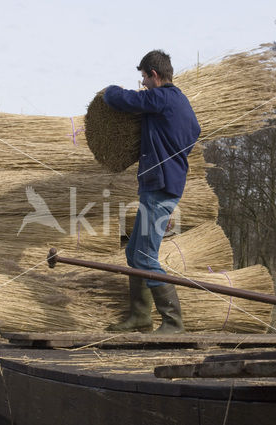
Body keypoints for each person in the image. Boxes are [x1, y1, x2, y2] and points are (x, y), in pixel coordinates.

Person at [103, 50, 201, 334]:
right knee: (135, 253)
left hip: (159, 187)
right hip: (163, 186)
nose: (142, 83)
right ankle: (140, 317)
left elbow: (123, 100)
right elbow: (194, 132)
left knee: (146, 257)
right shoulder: (181, 104)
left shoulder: (162, 97)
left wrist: (108, 91)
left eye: (144, 77)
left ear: (154, 75)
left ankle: (173, 321)